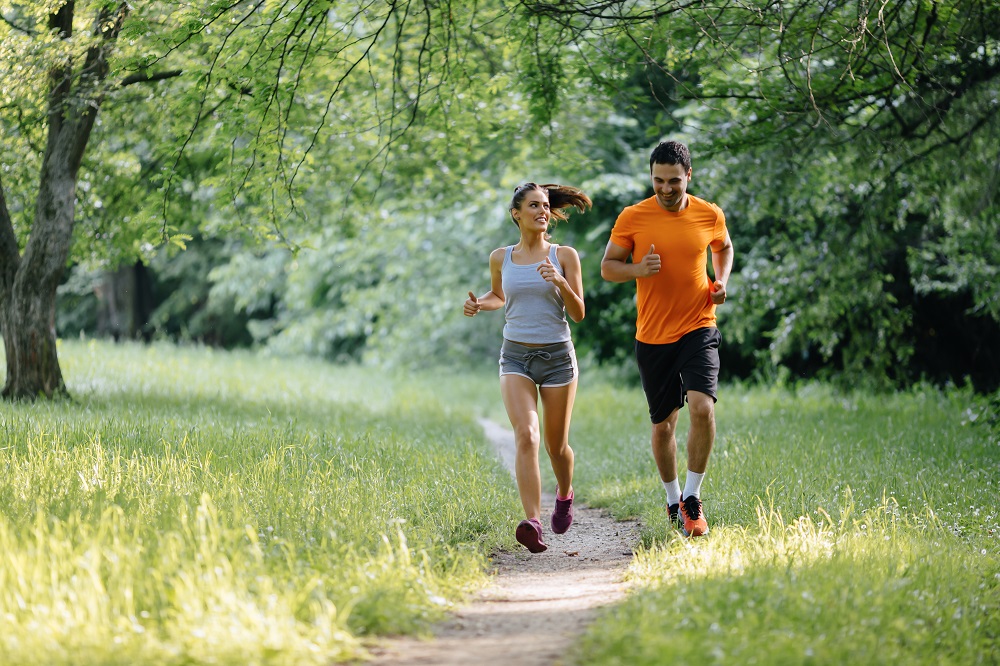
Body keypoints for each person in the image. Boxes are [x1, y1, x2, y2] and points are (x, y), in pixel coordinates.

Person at [600, 140, 734, 537]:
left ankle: (693, 499)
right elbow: (608, 267)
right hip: (653, 335)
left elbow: (723, 247)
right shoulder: (633, 216)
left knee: (702, 409)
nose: (665, 189)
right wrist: (638, 268)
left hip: (699, 325)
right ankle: (673, 499)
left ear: (688, 176)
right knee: (663, 426)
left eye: (674, 181)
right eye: (658, 181)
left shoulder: (708, 213)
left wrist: (720, 281)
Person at [464, 182, 591, 553]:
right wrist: (479, 305)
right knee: (526, 436)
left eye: (546, 205)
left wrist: (560, 281)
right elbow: (498, 295)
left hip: (557, 360)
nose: (542, 211)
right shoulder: (500, 257)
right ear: (516, 214)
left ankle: (565, 493)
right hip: (515, 356)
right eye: (533, 205)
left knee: (556, 447)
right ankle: (532, 521)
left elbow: (580, 313)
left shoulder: (564, 255)